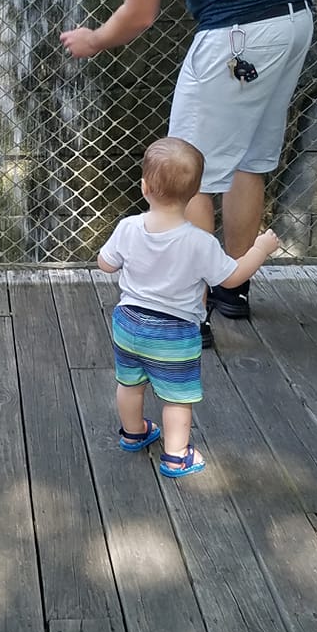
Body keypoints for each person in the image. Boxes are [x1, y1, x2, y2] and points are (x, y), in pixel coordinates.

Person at [60, 0, 312, 337]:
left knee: (189, 176)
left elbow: (140, 12)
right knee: (249, 160)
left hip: (235, 37)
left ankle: (185, 309)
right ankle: (232, 290)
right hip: (293, 21)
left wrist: (93, 39)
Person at [98, 137, 279, 477]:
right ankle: (176, 455)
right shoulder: (200, 242)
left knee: (129, 383)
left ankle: (133, 433)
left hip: (128, 322)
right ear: (196, 193)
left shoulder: (128, 227)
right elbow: (231, 278)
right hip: (174, 332)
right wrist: (260, 249)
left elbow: (106, 264)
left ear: (144, 186)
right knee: (177, 398)